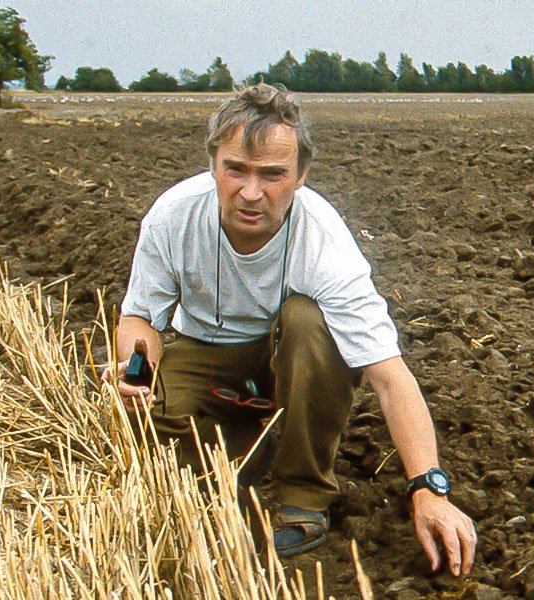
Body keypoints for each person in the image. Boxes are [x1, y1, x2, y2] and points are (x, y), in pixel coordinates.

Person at [104, 83, 476, 575]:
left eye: (273, 174)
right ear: (213, 162)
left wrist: (429, 489)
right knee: (152, 444)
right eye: (235, 168)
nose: (251, 192)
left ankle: (302, 493)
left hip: (286, 358)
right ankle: (244, 450)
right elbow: (141, 317)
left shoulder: (323, 239)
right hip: (203, 351)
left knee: (310, 322)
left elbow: (388, 374)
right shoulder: (173, 216)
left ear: (301, 175)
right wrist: (138, 364)